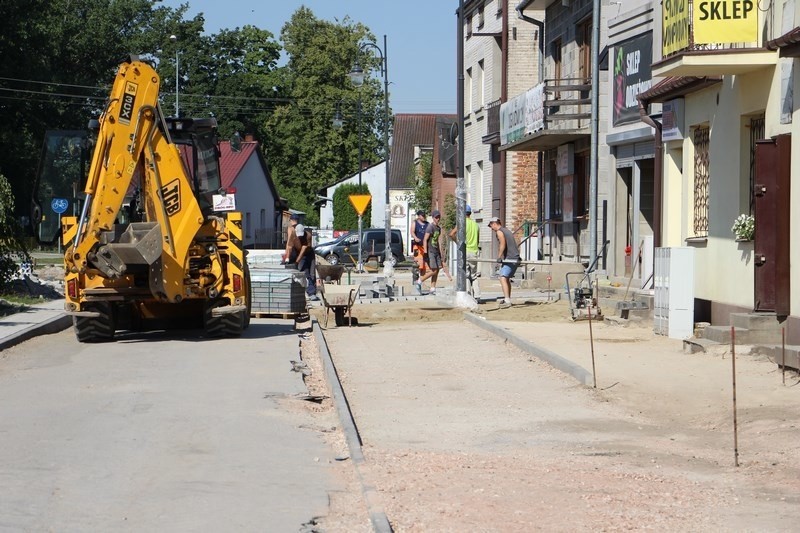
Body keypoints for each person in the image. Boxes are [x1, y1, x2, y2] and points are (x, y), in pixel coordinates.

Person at [448, 205, 481, 298]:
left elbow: (451, 234)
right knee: (474, 276)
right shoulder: (476, 225)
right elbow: (478, 240)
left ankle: (468, 295)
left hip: (465, 251)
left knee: (466, 275)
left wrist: (458, 243)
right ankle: (477, 295)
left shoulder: (462, 223)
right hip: (474, 252)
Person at [488, 216, 520, 308]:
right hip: (514, 258)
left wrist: (499, 256)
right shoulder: (506, 230)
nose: (491, 229)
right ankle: (508, 298)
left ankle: (507, 300)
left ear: (494, 223)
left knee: (502, 277)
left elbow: (502, 244)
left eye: (491, 226)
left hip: (511, 258)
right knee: (506, 278)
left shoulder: (499, 231)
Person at [416, 210, 443, 295]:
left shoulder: (438, 228)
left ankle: (432, 288)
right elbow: (425, 239)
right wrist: (425, 252)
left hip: (436, 251)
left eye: (439, 217)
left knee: (437, 270)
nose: (438, 219)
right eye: (436, 217)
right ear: (433, 218)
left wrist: (439, 251)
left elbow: (436, 240)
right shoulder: (430, 227)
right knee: (433, 270)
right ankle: (420, 280)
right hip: (430, 251)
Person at [294, 224, 317, 299]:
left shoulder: (308, 235)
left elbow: (304, 249)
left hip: (309, 254)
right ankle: (310, 292)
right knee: (305, 272)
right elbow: (289, 246)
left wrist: (297, 262)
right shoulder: (293, 236)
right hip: (300, 255)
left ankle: (313, 291)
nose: (300, 237)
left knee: (312, 273)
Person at [411, 210, 428, 283]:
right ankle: (415, 279)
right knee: (417, 264)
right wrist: (415, 238)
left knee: (424, 265)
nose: (424, 217)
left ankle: (421, 280)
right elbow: (412, 232)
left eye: (424, 215)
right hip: (417, 246)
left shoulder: (427, 224)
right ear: (419, 216)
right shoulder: (415, 223)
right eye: (422, 215)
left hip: (424, 247)